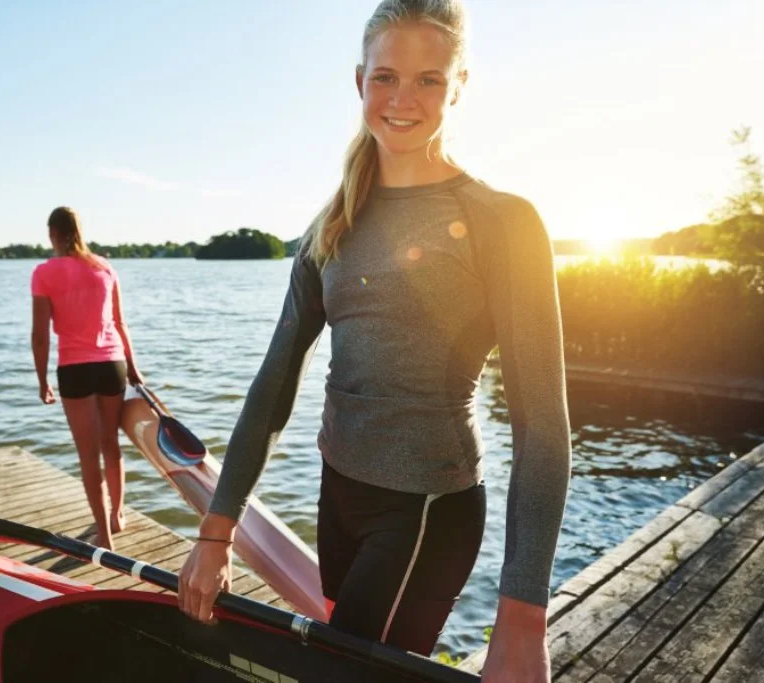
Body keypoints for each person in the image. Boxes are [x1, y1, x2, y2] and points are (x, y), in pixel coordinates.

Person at [177, 1, 571, 681]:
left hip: (426, 509)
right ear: (357, 80)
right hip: (340, 497)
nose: (402, 99)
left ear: (460, 85)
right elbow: (274, 384)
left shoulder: (503, 221)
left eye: (428, 79)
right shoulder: (330, 225)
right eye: (385, 76)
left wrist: (522, 616)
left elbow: (541, 423)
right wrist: (217, 529)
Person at [31, 206, 144, 551]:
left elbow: (40, 334)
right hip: (112, 364)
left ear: (53, 233)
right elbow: (120, 323)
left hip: (74, 369)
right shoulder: (104, 267)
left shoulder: (44, 272)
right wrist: (133, 367)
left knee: (87, 453)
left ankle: (104, 534)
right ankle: (118, 515)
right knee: (111, 443)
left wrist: (42, 380)